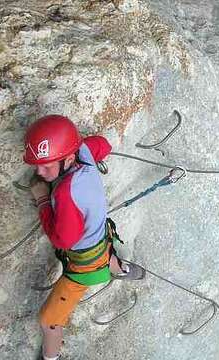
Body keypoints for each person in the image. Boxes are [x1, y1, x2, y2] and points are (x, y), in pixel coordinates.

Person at [24, 115, 143, 360]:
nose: (39, 171)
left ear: (68, 159)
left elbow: (62, 240)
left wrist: (42, 198)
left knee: (49, 321)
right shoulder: (83, 152)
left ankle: (51, 358)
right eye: (38, 164)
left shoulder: (66, 194)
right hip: (100, 235)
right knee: (103, 253)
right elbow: (104, 145)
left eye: (47, 165)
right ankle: (123, 269)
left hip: (84, 265)